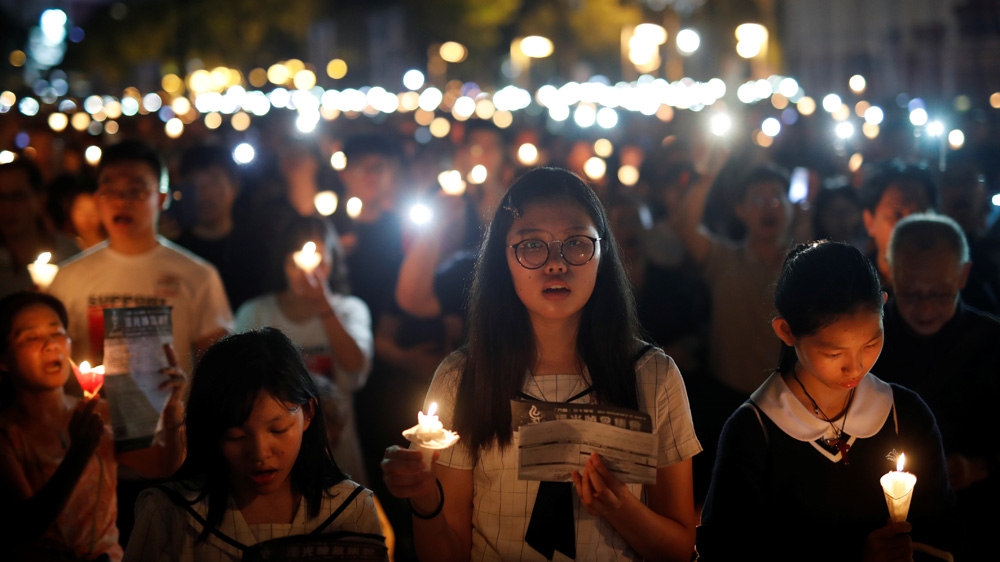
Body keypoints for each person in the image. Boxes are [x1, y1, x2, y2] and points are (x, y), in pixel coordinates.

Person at [381, 167, 701, 562]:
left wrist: (621, 508)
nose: (556, 264)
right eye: (532, 245)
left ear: (604, 254)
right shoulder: (465, 378)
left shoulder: (652, 375)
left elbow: (680, 549)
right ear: (504, 258)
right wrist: (425, 496)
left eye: (577, 243)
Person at [698, 241, 958, 561]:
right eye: (833, 353)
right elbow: (726, 549)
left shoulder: (904, 415)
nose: (856, 366)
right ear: (786, 331)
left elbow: (942, 531)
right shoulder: (755, 431)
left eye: (871, 343)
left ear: (883, 307)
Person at [123, 328, 384, 562]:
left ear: (307, 413)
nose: (260, 453)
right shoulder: (168, 513)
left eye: (278, 429)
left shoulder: (351, 510)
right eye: (236, 436)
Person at [0, 291, 185, 561]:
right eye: (31, 337)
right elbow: (26, 528)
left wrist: (172, 409)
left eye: (57, 332)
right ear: (3, 360)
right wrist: (79, 453)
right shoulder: (7, 434)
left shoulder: (102, 414)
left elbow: (165, 467)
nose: (51, 345)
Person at [47, 139, 233, 379]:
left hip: (172, 416)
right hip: (91, 416)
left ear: (162, 199)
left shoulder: (198, 275)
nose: (122, 201)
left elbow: (218, 369)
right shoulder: (68, 278)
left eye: (137, 191)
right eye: (110, 190)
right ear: (97, 199)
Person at [875, 213, 1000, 560]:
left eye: (941, 294)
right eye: (912, 295)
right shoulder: (868, 342)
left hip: (977, 516)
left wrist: (981, 466)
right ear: (889, 272)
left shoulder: (991, 342)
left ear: (963, 275)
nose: (927, 308)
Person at [235, 216, 373, 486]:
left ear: (333, 259)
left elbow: (356, 368)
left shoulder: (350, 310)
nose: (311, 267)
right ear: (285, 262)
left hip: (337, 446)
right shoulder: (255, 313)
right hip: (272, 452)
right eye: (299, 257)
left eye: (320, 257)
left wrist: (323, 304)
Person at [174, 144, 267, 311]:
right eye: (195, 185)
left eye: (214, 183)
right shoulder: (175, 249)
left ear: (235, 187)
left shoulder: (257, 248)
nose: (204, 194)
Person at [0, 160, 80, 298]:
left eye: (18, 197)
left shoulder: (70, 254)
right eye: (1, 198)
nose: (7, 208)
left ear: (40, 199)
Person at [860, 160, 938, 289]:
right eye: (898, 215)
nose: (909, 226)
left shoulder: (950, 285)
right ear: (869, 221)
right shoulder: (853, 290)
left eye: (918, 215)